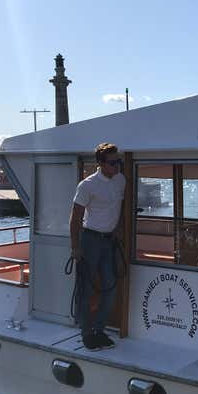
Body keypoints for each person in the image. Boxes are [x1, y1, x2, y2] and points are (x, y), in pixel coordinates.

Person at [70, 143, 126, 350]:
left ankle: (100, 331)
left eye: (118, 161)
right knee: (85, 289)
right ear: (101, 163)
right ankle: (86, 333)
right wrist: (75, 247)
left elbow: (119, 209)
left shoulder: (121, 180)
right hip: (90, 240)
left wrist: (118, 231)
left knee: (110, 288)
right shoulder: (87, 185)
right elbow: (75, 218)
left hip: (109, 241)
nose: (117, 166)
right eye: (112, 163)